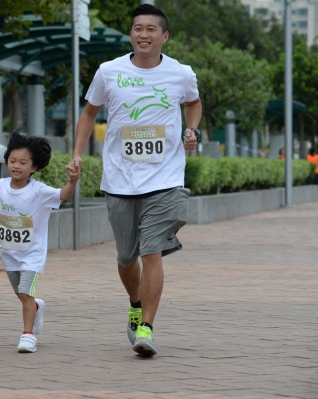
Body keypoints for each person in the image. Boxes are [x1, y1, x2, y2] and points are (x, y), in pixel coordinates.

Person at [72, 4, 202, 358]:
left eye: (150, 29)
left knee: (151, 252)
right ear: (131, 33)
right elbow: (89, 113)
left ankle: (147, 326)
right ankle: (134, 302)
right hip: (119, 179)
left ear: (164, 36)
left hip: (165, 178)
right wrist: (77, 153)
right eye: (137, 28)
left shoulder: (180, 73)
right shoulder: (108, 71)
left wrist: (192, 130)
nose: (143, 34)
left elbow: (193, 103)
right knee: (126, 257)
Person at [0, 132, 79, 353]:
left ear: (33, 167)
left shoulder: (39, 191)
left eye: (23, 163)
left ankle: (28, 335)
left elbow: (62, 195)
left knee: (25, 292)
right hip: (10, 254)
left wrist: (71, 182)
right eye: (12, 161)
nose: (16, 166)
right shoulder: (2, 185)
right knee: (22, 295)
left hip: (32, 255)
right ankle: (35, 307)